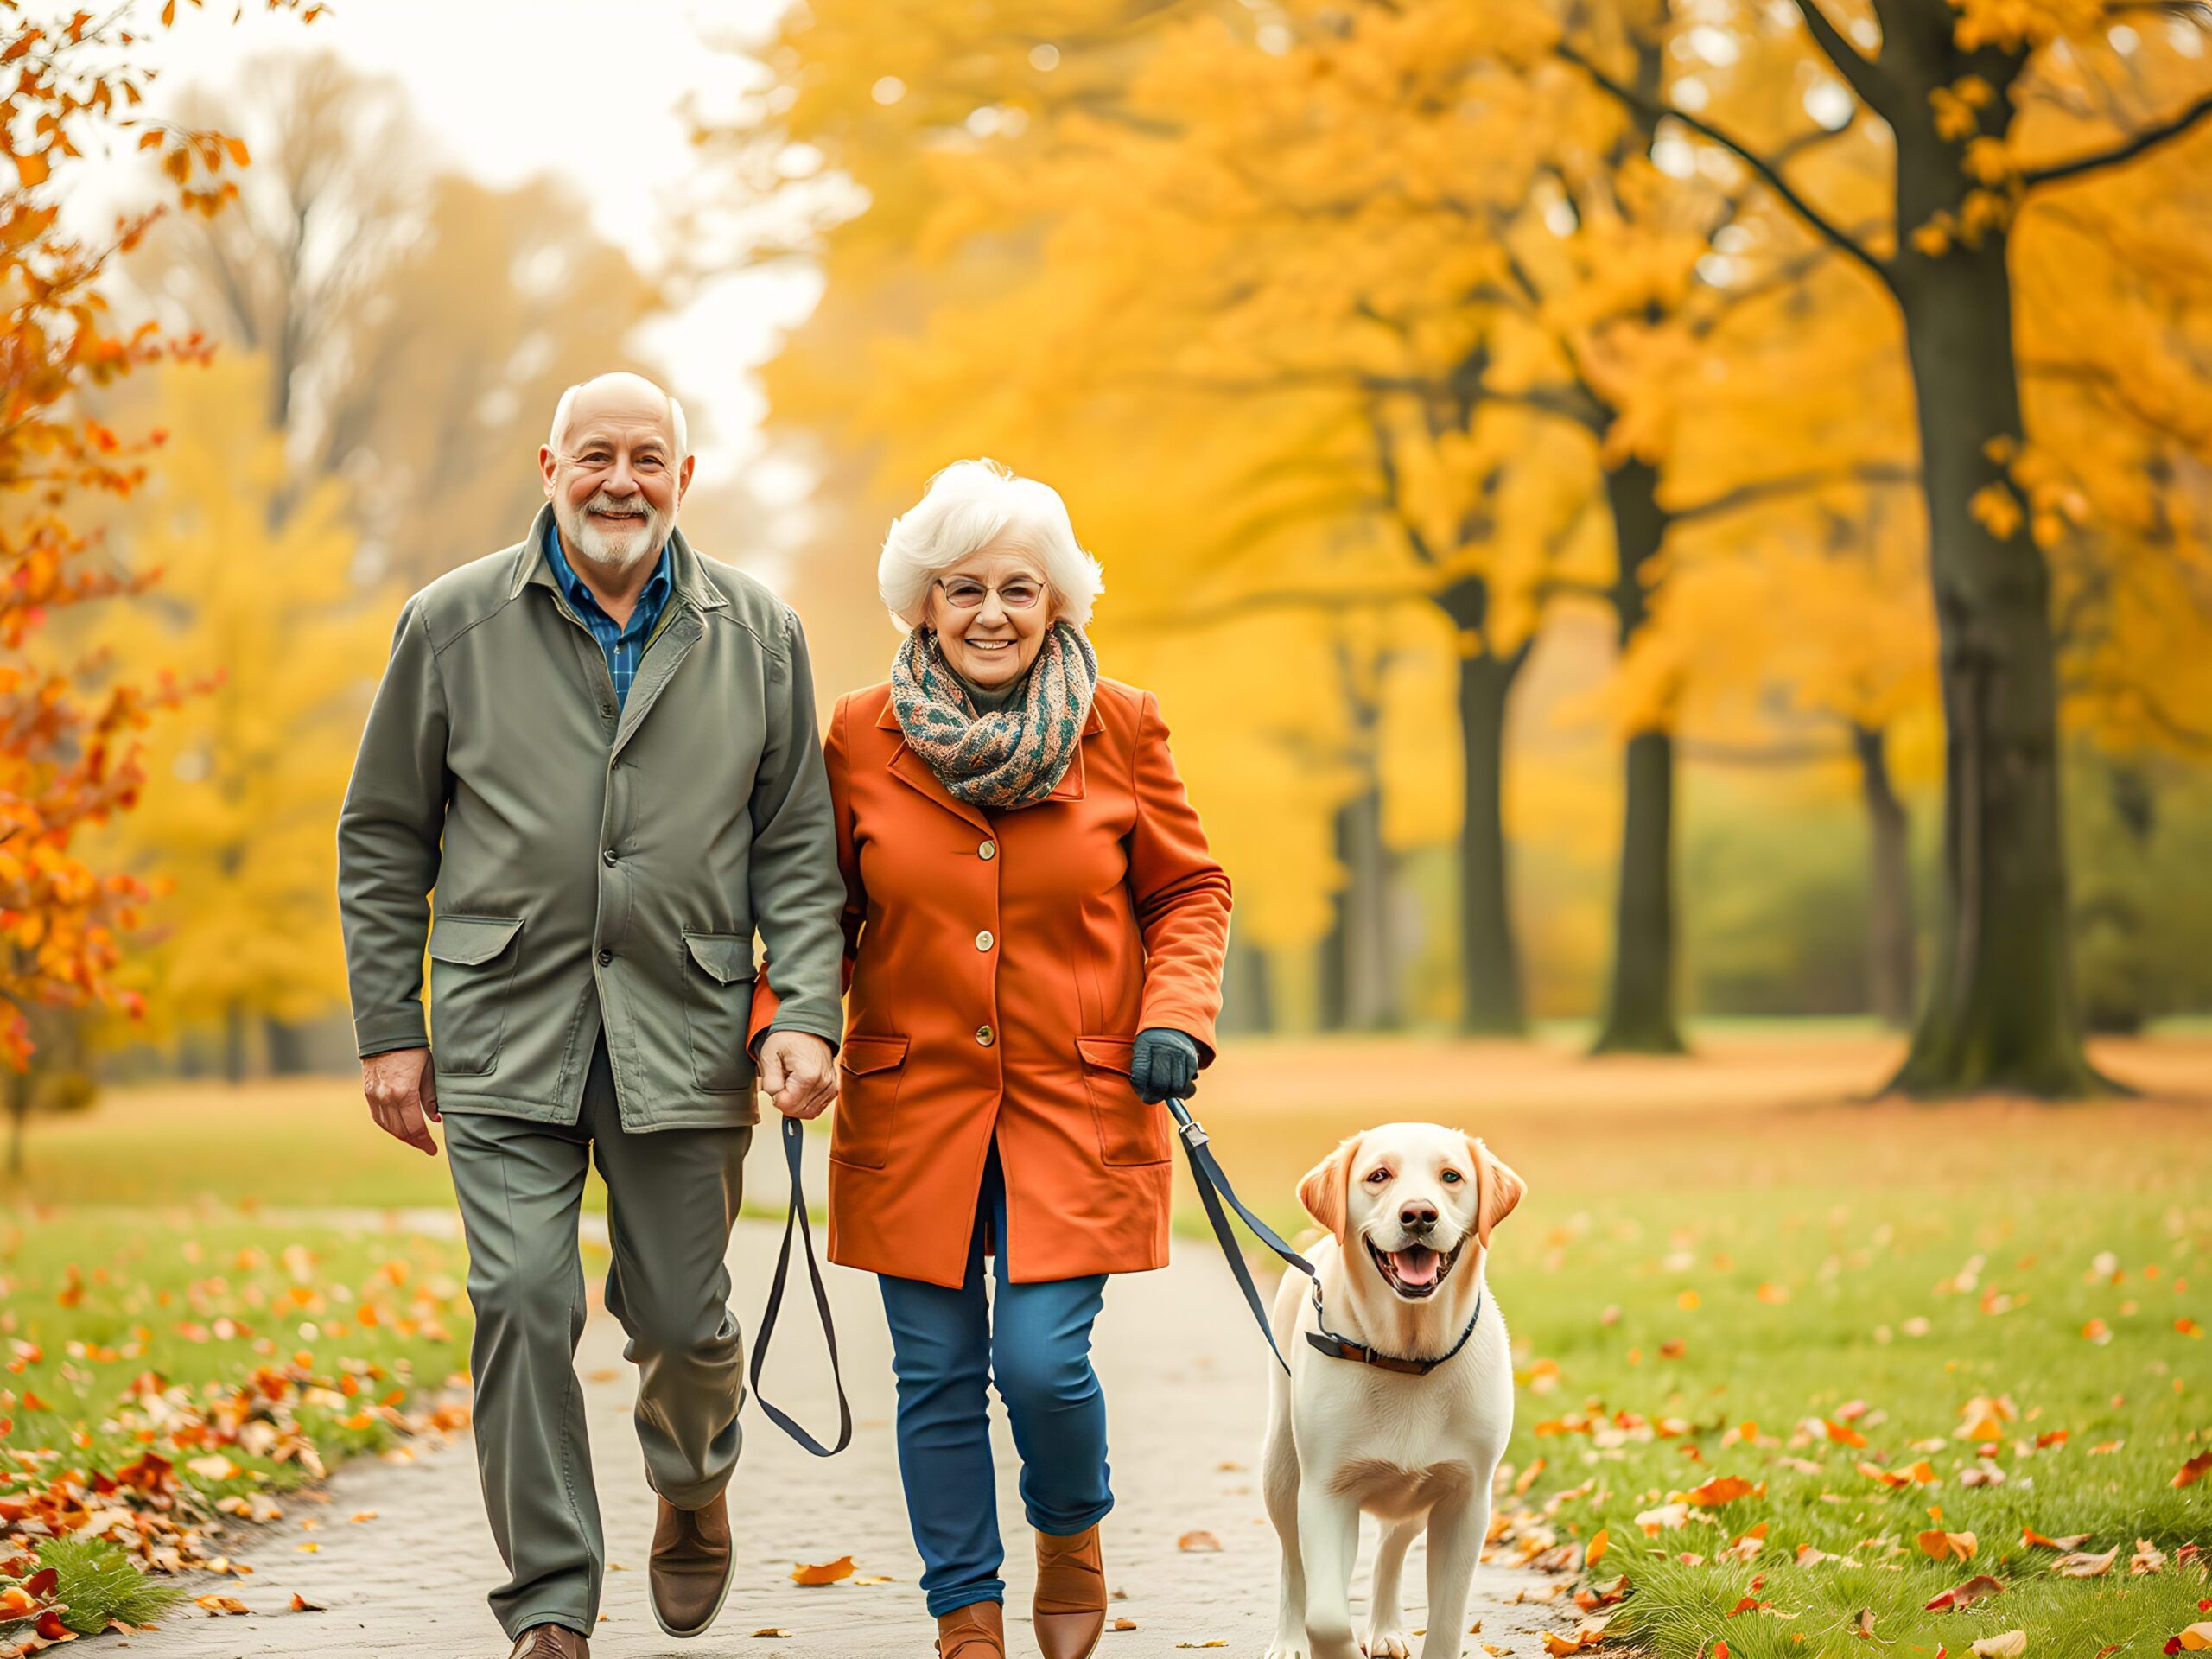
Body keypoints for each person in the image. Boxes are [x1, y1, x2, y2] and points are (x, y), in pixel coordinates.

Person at [336, 372, 846, 1659]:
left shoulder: (761, 632)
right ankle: (552, 1602)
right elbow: (385, 834)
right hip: (505, 1026)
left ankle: (692, 1480)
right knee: (520, 1299)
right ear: (551, 465)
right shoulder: (451, 624)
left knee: (679, 1316)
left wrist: (808, 1012)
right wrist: (391, 1028)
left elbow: (795, 842)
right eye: (598, 456)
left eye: (650, 458)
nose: (622, 480)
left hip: (685, 1022)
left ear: (687, 476)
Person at [752, 459, 1233, 1659]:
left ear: (1057, 601)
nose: (990, 613)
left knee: (1042, 1363)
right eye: (962, 588)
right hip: (913, 1104)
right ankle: (964, 1616)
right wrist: (791, 1023)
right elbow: (816, 907)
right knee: (934, 1374)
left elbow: (1188, 888)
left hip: (1080, 1100)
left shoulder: (1122, 724)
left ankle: (1071, 1531)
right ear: (923, 601)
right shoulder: (860, 734)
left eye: (1019, 588)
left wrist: (1177, 1014)